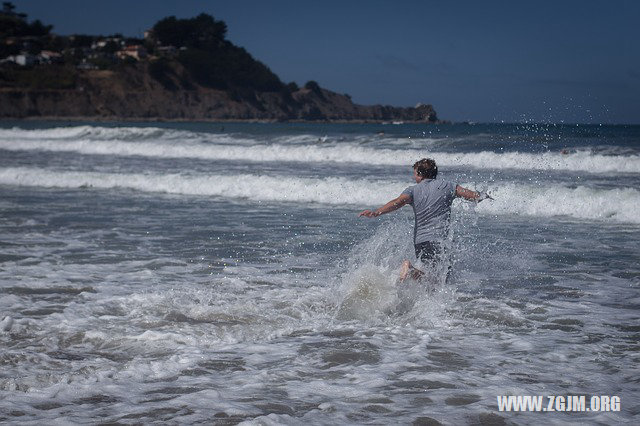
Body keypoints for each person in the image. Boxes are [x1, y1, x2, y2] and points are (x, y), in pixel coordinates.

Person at [358, 158, 492, 282]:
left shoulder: (412, 190)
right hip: (438, 241)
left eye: (415, 174)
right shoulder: (448, 186)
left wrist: (376, 213)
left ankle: (411, 276)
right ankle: (410, 269)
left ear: (421, 175)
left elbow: (397, 202)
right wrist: (485, 195)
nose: (414, 177)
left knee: (429, 280)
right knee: (437, 280)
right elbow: (473, 196)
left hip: (420, 242)